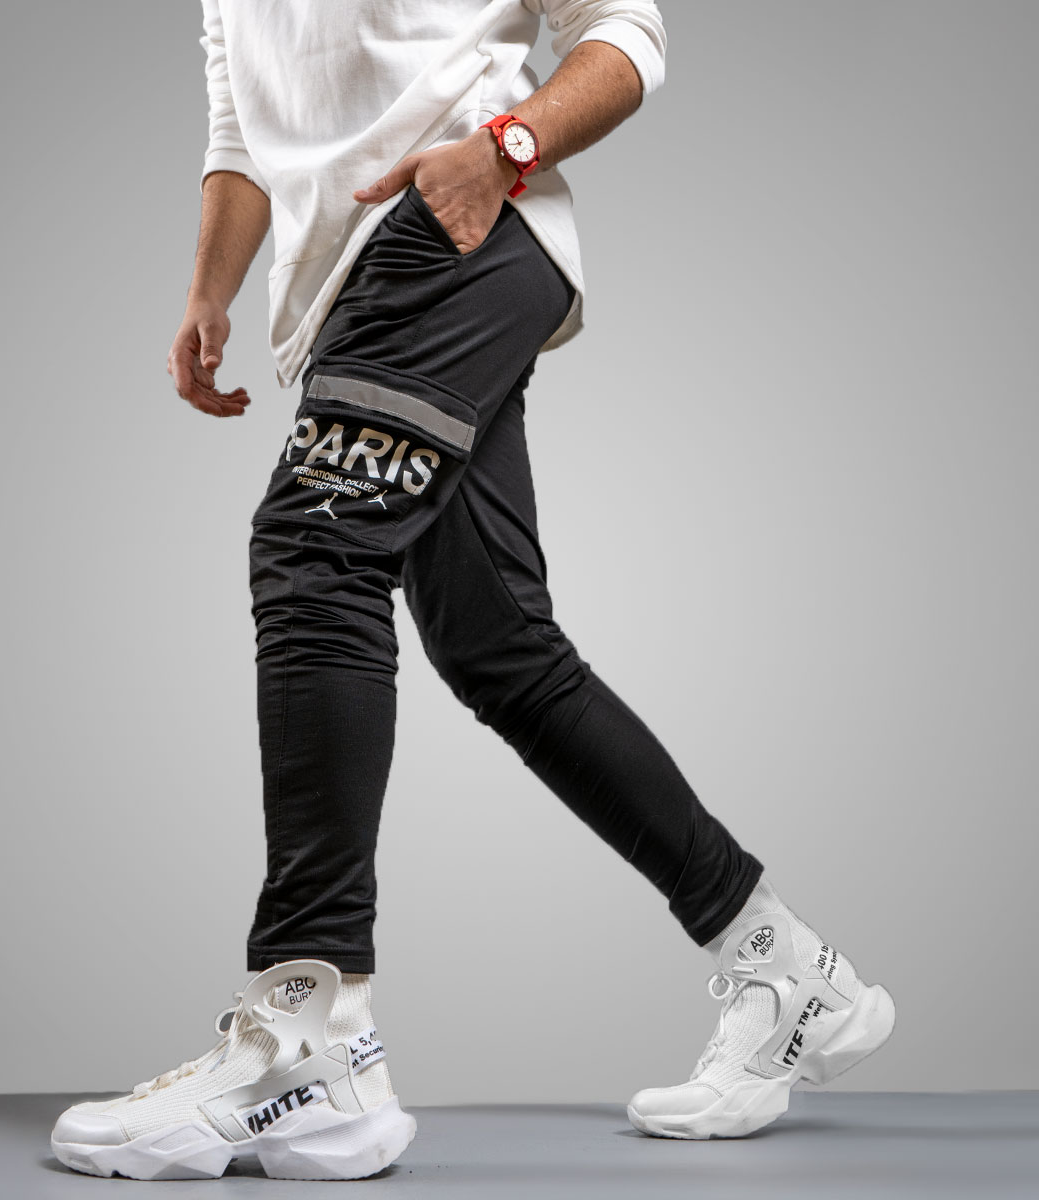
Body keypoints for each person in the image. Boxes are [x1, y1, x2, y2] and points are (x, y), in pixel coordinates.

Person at [51, 0, 895, 1180]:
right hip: (349, 285)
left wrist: (505, 149)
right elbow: (242, 129)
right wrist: (211, 290)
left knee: (316, 553)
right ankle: (787, 970)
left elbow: (627, 32)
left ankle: (313, 1040)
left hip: (450, 232)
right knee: (501, 648)